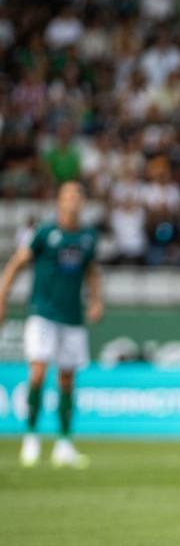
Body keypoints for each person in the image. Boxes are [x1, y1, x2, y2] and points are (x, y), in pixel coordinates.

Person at [0, 181, 103, 469]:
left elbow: (92, 272)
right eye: (68, 195)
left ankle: (64, 443)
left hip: (72, 316)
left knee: (67, 379)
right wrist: (2, 295)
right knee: (38, 372)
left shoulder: (87, 237)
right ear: (59, 201)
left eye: (78, 195)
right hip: (43, 312)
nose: (73, 200)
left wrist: (96, 300)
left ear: (82, 202)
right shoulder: (44, 233)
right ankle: (31, 437)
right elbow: (18, 262)